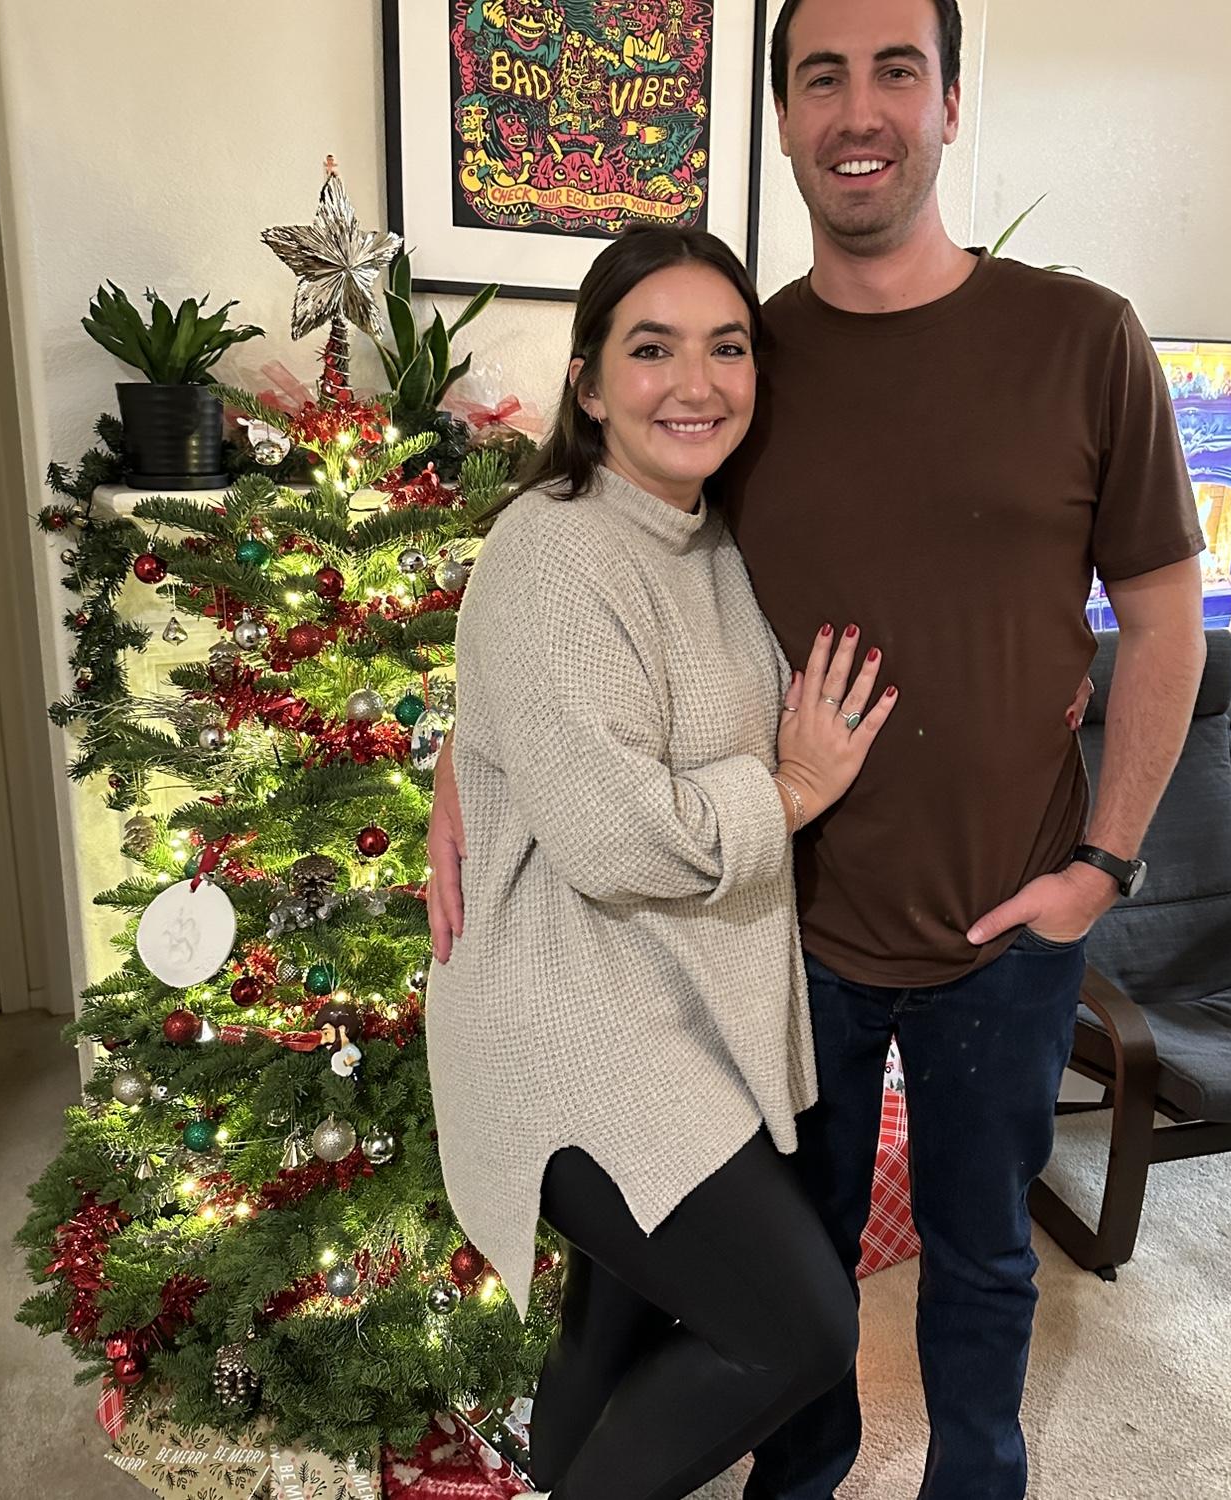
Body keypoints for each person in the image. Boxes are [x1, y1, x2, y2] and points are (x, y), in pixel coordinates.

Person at [432, 0, 1207, 1495]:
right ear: (782, 116)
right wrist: (472, 763)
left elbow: (1166, 617)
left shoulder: (1081, 337)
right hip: (778, 945)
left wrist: (1105, 863)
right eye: (823, 76)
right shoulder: (740, 365)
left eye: (896, 70)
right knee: (793, 1308)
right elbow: (593, 576)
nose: (860, 110)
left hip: (1009, 926)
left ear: (951, 101)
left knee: (985, 1264)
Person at [425, 225, 904, 1500]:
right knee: (799, 1330)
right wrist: (794, 790)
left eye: (726, 348)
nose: (696, 383)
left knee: (617, 1320)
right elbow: (612, 835)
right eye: (653, 349)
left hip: (668, 999)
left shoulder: (710, 536)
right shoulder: (556, 548)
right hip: (566, 1017)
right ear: (588, 385)